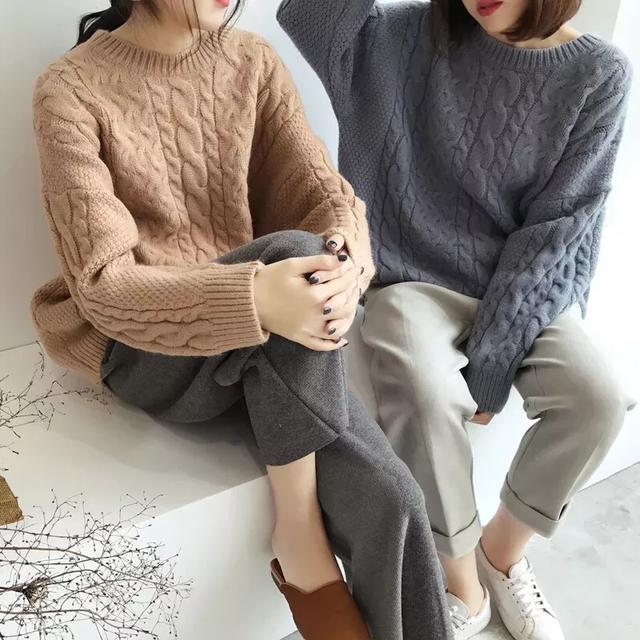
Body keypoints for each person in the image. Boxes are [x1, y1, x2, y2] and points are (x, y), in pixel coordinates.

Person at [30, 0, 455, 638]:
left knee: (393, 502)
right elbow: (103, 288)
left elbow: (324, 197)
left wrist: (346, 261)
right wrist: (253, 298)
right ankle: (300, 538)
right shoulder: (69, 89)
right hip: (146, 351)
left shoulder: (251, 60)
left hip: (266, 343)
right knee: (292, 256)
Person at [277, 0, 635, 638]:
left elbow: (558, 228)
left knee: (598, 400)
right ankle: (462, 582)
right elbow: (307, 12)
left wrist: (495, 357)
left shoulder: (598, 73)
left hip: (525, 282)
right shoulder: (397, 38)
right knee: (420, 387)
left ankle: (503, 554)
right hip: (411, 279)